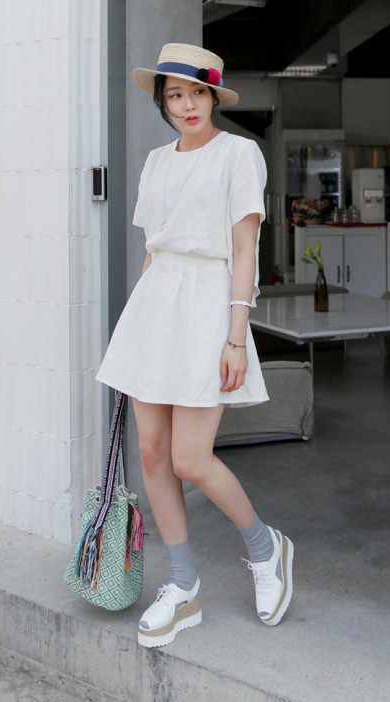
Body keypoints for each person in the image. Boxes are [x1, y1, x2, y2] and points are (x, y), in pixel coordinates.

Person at [96, 43, 294, 649]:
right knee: (152, 452)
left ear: (213, 96)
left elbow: (245, 251)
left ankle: (265, 547)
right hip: (156, 307)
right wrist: (139, 328)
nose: (187, 105)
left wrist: (236, 337)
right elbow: (153, 250)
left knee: (190, 458)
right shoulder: (156, 162)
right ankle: (183, 586)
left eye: (197, 93)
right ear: (163, 102)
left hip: (209, 308)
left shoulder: (239, 153)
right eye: (175, 95)